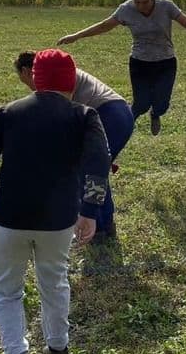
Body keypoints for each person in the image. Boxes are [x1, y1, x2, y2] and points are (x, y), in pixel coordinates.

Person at [0, 49, 110, 354]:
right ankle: (58, 348)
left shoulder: (7, 113)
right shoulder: (85, 115)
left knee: (6, 290)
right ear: (70, 80)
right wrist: (90, 211)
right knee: (55, 282)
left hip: (9, 217)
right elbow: (98, 163)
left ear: (36, 78)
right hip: (59, 220)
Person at [57, 0, 186, 135]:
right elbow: (104, 25)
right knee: (141, 104)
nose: (140, 5)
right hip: (139, 62)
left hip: (166, 62)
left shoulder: (166, 6)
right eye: (137, 1)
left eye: (145, 1)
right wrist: (76, 36)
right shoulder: (126, 9)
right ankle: (124, 123)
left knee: (162, 105)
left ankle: (155, 115)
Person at [15, 51, 133, 242]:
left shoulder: (55, 79)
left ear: (28, 71)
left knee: (87, 171)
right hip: (119, 114)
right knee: (95, 170)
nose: (30, 88)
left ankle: (99, 229)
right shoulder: (58, 71)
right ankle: (105, 226)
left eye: (25, 81)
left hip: (109, 115)